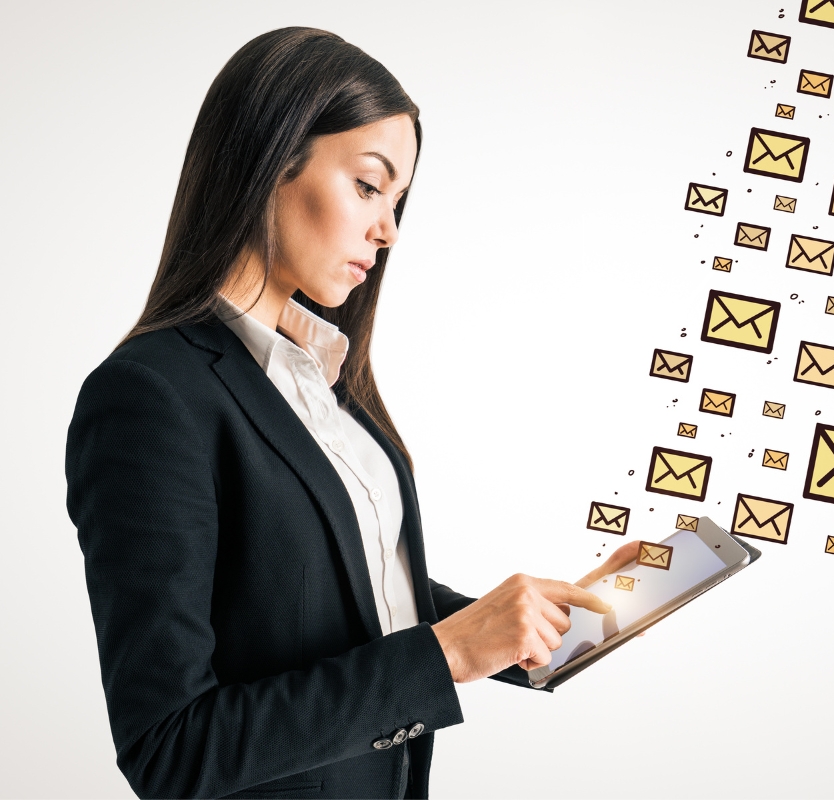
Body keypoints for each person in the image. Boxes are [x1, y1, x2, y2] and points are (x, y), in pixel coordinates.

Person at [64, 27, 638, 800]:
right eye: (369, 186)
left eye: (398, 201)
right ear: (269, 160)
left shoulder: (323, 379)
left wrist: (531, 628)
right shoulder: (150, 397)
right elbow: (169, 749)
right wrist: (449, 656)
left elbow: (321, 589)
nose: (389, 230)